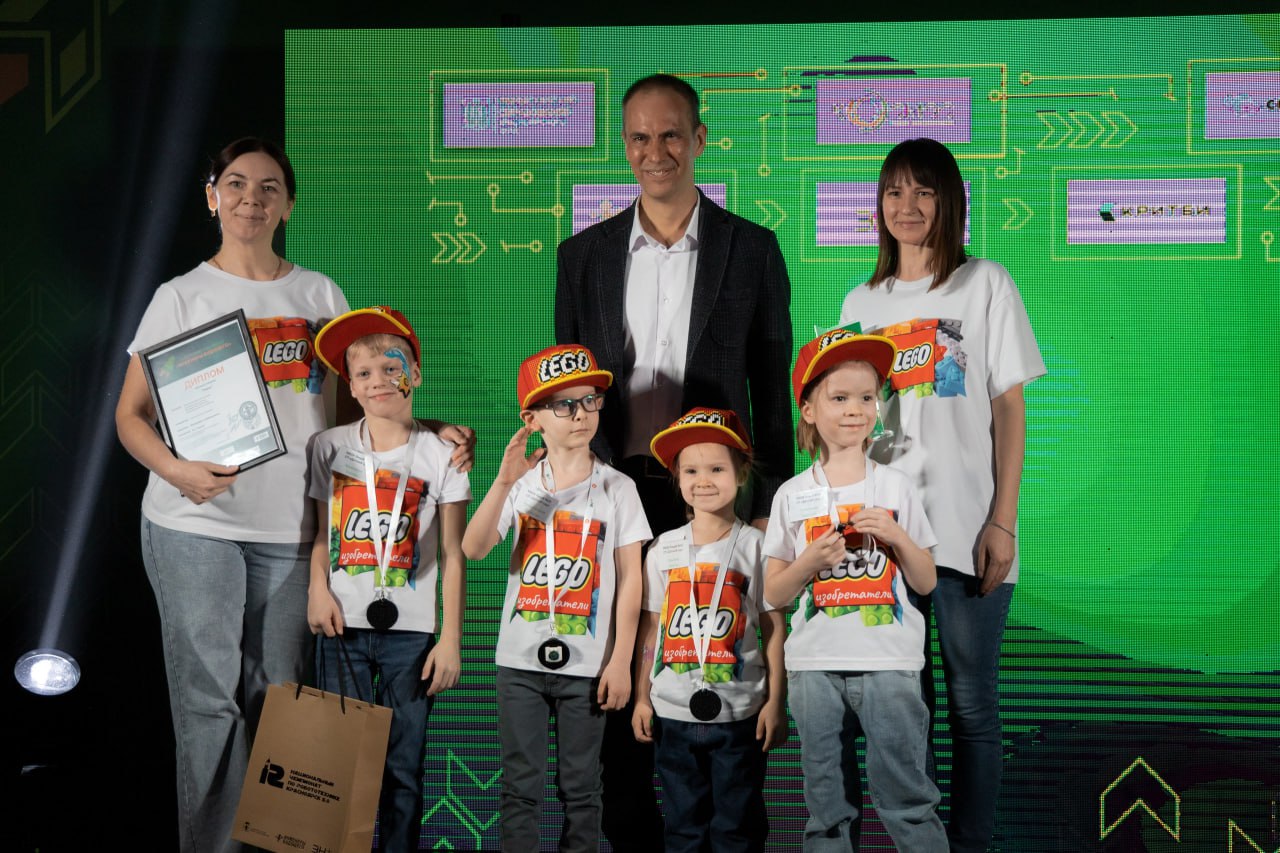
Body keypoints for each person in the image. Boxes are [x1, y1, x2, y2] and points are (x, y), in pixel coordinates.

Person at [114, 138, 472, 853]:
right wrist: (177, 471)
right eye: (235, 184)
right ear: (212, 196)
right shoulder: (180, 296)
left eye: (268, 187)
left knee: (283, 703)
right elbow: (130, 416)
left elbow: (355, 411)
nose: (251, 198)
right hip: (194, 525)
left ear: (288, 204)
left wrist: (428, 427)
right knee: (210, 704)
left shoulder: (319, 295)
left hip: (294, 532)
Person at [554, 72, 794, 848]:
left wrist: (771, 505)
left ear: (698, 139)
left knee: (724, 679)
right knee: (619, 677)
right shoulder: (581, 255)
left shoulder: (752, 249)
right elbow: (569, 393)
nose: (654, 151)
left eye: (669, 135)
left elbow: (771, 388)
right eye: (638, 137)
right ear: (623, 144)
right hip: (615, 496)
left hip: (713, 501)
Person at [838, 137, 1045, 852]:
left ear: (949, 200)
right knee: (904, 710)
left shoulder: (983, 282)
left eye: (924, 190)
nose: (908, 205)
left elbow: (1009, 407)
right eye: (895, 191)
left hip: (965, 530)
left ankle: (971, 845)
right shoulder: (861, 302)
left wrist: (1002, 520)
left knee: (971, 707)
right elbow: (851, 419)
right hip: (884, 537)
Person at [461, 344, 650, 851]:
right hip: (518, 663)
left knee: (583, 789)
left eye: (590, 400)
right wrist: (504, 480)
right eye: (564, 405)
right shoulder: (522, 485)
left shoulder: (619, 488)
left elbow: (631, 581)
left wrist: (621, 662)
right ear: (532, 419)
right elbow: (473, 548)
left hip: (588, 664)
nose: (581, 414)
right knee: (519, 788)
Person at [764, 329, 947, 852]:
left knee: (908, 799)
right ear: (808, 410)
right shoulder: (791, 494)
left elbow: (926, 580)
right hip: (814, 668)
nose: (855, 410)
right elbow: (773, 594)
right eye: (839, 398)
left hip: (890, 663)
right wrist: (809, 562)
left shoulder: (895, 486)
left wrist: (897, 537)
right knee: (827, 809)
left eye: (867, 397)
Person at [306, 306, 469, 851]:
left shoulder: (442, 454)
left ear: (415, 374)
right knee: (339, 766)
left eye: (391, 367)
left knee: (403, 768)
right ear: (351, 387)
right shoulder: (328, 447)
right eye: (364, 373)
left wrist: (450, 638)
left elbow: (453, 553)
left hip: (412, 638)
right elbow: (321, 534)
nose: (378, 381)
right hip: (341, 628)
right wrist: (316, 590)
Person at [632, 408, 787, 853]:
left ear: (741, 474)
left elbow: (775, 628)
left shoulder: (758, 547)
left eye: (717, 469)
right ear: (677, 478)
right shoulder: (663, 548)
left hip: (740, 716)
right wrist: (642, 697)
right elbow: (651, 630)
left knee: (737, 830)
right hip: (672, 714)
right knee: (683, 830)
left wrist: (776, 702)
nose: (703, 480)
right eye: (691, 471)